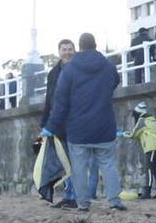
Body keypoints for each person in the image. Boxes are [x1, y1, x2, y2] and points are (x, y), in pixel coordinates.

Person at [43, 33, 126, 212]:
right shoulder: (108, 66)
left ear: (79, 47)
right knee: (108, 164)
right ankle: (114, 201)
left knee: (79, 167)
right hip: (104, 125)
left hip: (78, 127)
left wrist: (50, 126)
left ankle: (83, 204)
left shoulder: (70, 70)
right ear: (95, 45)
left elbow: (60, 102)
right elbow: (115, 82)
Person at [36, 37, 75, 206]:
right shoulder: (53, 73)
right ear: (59, 52)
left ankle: (74, 196)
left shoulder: (78, 69)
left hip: (75, 122)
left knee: (75, 161)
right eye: (64, 49)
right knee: (64, 161)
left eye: (70, 49)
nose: (67, 52)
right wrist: (44, 123)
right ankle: (68, 195)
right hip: (57, 124)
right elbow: (49, 99)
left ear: (74, 50)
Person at [128, 101, 156, 199]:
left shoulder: (142, 121)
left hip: (152, 148)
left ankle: (147, 192)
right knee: (155, 170)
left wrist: (123, 134)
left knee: (149, 169)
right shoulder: (152, 120)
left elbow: (133, 134)